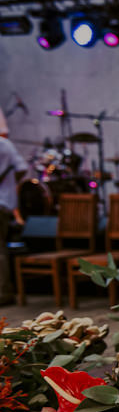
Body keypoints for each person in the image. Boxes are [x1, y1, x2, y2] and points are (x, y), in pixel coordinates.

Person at [0, 108, 28, 305]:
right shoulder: (6, 145)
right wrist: (9, 185)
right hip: (4, 202)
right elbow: (22, 169)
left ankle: (4, 293)